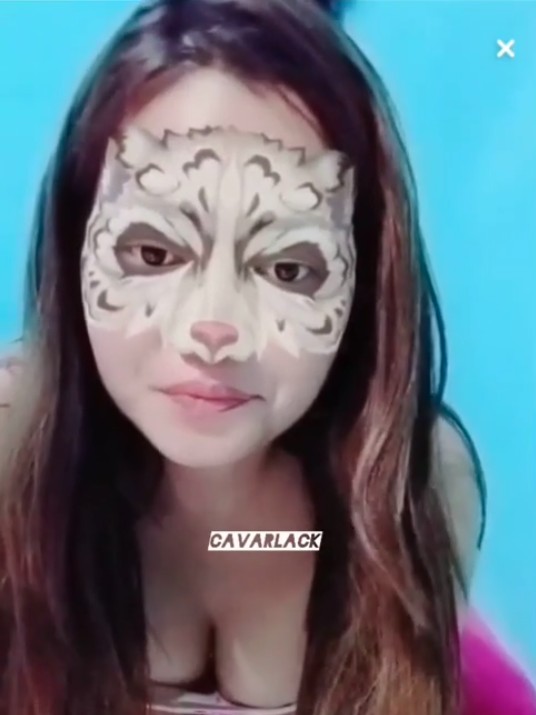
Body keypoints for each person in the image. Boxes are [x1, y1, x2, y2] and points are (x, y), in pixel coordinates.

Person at [0, 0, 499, 713]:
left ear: (367, 281)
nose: (214, 326)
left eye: (289, 268)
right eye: (153, 251)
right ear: (74, 240)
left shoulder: (418, 486)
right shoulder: (10, 452)